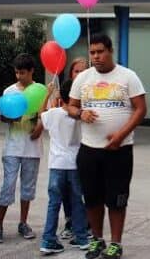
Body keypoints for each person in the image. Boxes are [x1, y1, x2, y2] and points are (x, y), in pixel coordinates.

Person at [67, 33, 147, 259]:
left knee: (117, 199)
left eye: (100, 51)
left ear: (110, 51)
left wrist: (121, 135)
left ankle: (116, 243)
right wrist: (81, 113)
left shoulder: (128, 76)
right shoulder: (82, 78)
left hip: (119, 150)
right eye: (92, 53)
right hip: (89, 149)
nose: (96, 57)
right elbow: (70, 107)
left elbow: (141, 109)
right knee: (92, 198)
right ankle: (97, 240)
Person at [0, 53, 44, 244]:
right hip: (13, 147)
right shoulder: (10, 91)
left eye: (22, 72)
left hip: (33, 147)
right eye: (17, 72)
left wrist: (39, 126)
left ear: (31, 71)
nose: (19, 76)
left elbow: (45, 115)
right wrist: (13, 117)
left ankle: (23, 222)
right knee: (8, 185)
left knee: (28, 188)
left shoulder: (40, 90)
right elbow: (4, 116)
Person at [39, 81, 89, 254]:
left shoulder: (53, 114)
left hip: (56, 164)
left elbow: (41, 115)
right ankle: (82, 237)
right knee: (77, 201)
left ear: (61, 96)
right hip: (75, 163)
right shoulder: (79, 116)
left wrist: (48, 93)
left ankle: (48, 239)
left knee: (54, 202)